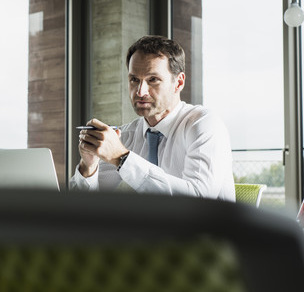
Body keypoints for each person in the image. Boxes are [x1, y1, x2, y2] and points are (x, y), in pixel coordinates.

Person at [69, 35, 235, 201]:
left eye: (153, 80)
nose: (140, 92)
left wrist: (122, 158)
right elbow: (83, 205)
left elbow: (199, 201)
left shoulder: (204, 125)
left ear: (178, 82)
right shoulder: (128, 134)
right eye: (134, 79)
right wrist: (88, 166)